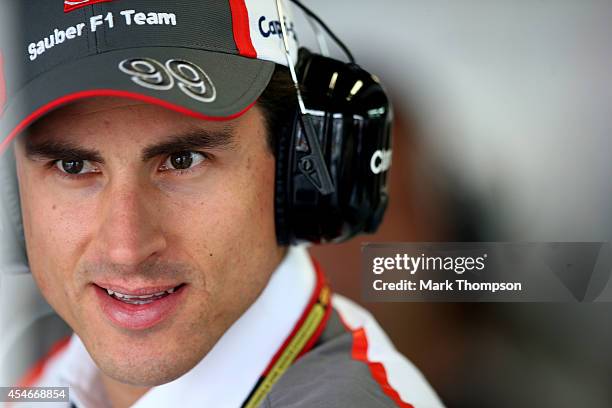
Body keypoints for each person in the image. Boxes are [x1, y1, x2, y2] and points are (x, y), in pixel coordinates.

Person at [0, 0, 443, 407]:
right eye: (73, 166)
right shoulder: (48, 380)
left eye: (182, 160)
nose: (126, 248)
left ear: (296, 171)